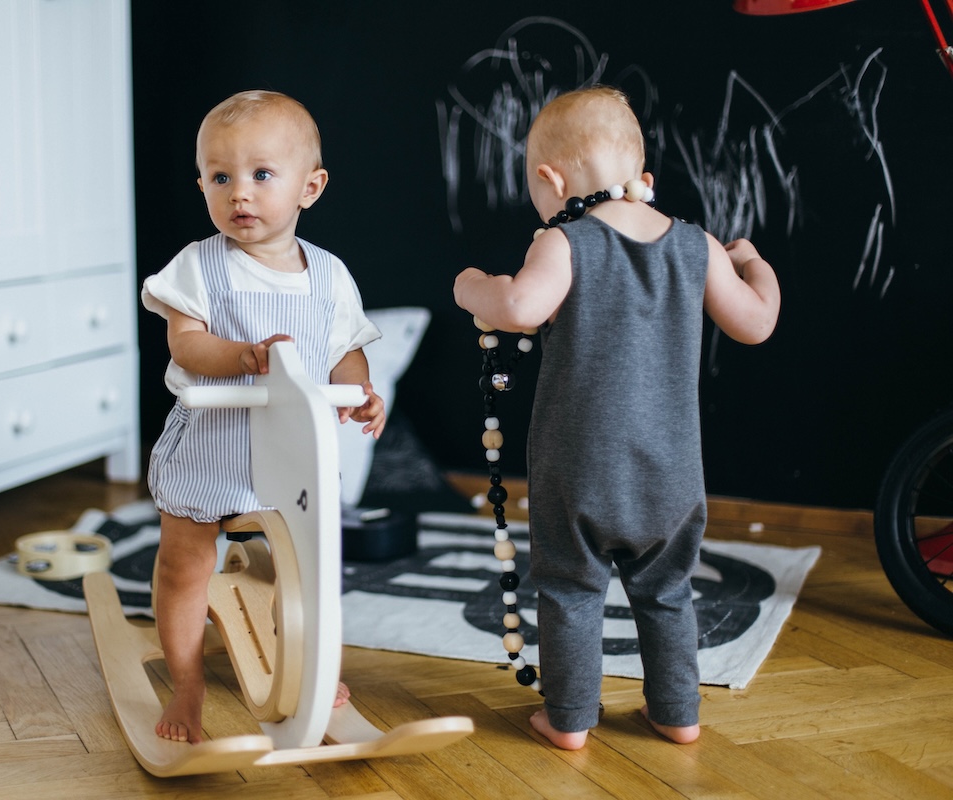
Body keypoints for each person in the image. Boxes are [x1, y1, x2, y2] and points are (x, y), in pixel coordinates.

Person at [453, 86, 780, 750]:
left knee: (571, 587)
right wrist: (751, 261)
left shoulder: (565, 241)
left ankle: (569, 719)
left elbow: (518, 307)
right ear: (644, 181)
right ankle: (677, 712)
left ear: (552, 180)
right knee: (666, 589)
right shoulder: (698, 246)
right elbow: (758, 322)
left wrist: (470, 286)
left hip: (580, 468)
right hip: (672, 472)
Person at [142, 90, 386, 744]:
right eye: (221, 177)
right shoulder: (200, 265)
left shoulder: (330, 277)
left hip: (293, 454)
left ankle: (310, 665)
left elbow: (346, 352)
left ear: (311, 187)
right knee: (184, 563)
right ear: (202, 185)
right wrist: (242, 355)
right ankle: (187, 683)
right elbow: (185, 343)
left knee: (309, 567)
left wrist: (359, 391)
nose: (239, 193)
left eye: (260, 175)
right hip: (211, 445)